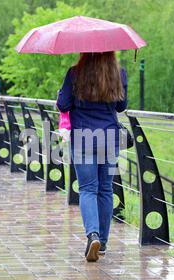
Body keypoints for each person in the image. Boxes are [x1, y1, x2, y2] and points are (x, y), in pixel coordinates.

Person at [56, 52, 128, 262]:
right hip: (109, 138)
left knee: (88, 189)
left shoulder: (75, 74)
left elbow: (63, 105)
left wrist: (61, 94)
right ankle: (102, 243)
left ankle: (92, 235)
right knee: (106, 189)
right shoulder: (119, 74)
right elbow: (122, 106)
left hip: (83, 139)